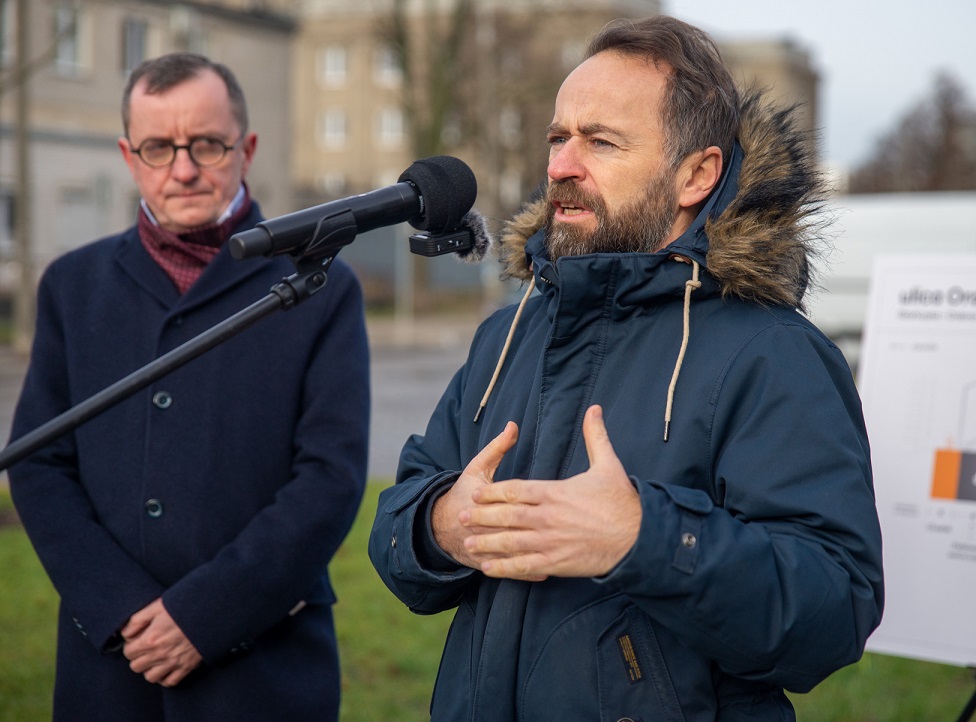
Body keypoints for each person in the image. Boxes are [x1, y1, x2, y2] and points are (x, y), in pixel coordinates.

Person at [369, 15, 884, 721]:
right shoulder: (509, 332)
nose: (561, 167)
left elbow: (835, 610)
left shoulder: (773, 354)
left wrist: (647, 539)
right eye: (558, 139)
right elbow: (396, 523)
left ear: (695, 175)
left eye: (600, 142)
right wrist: (439, 526)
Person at [8, 52, 369, 721]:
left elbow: (330, 479)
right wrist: (121, 608)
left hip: (262, 674)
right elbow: (38, 462)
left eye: (206, 144)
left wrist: (204, 616)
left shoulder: (322, 287)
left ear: (247, 148)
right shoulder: (71, 286)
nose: (182, 169)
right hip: (108, 669)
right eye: (157, 147)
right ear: (127, 155)